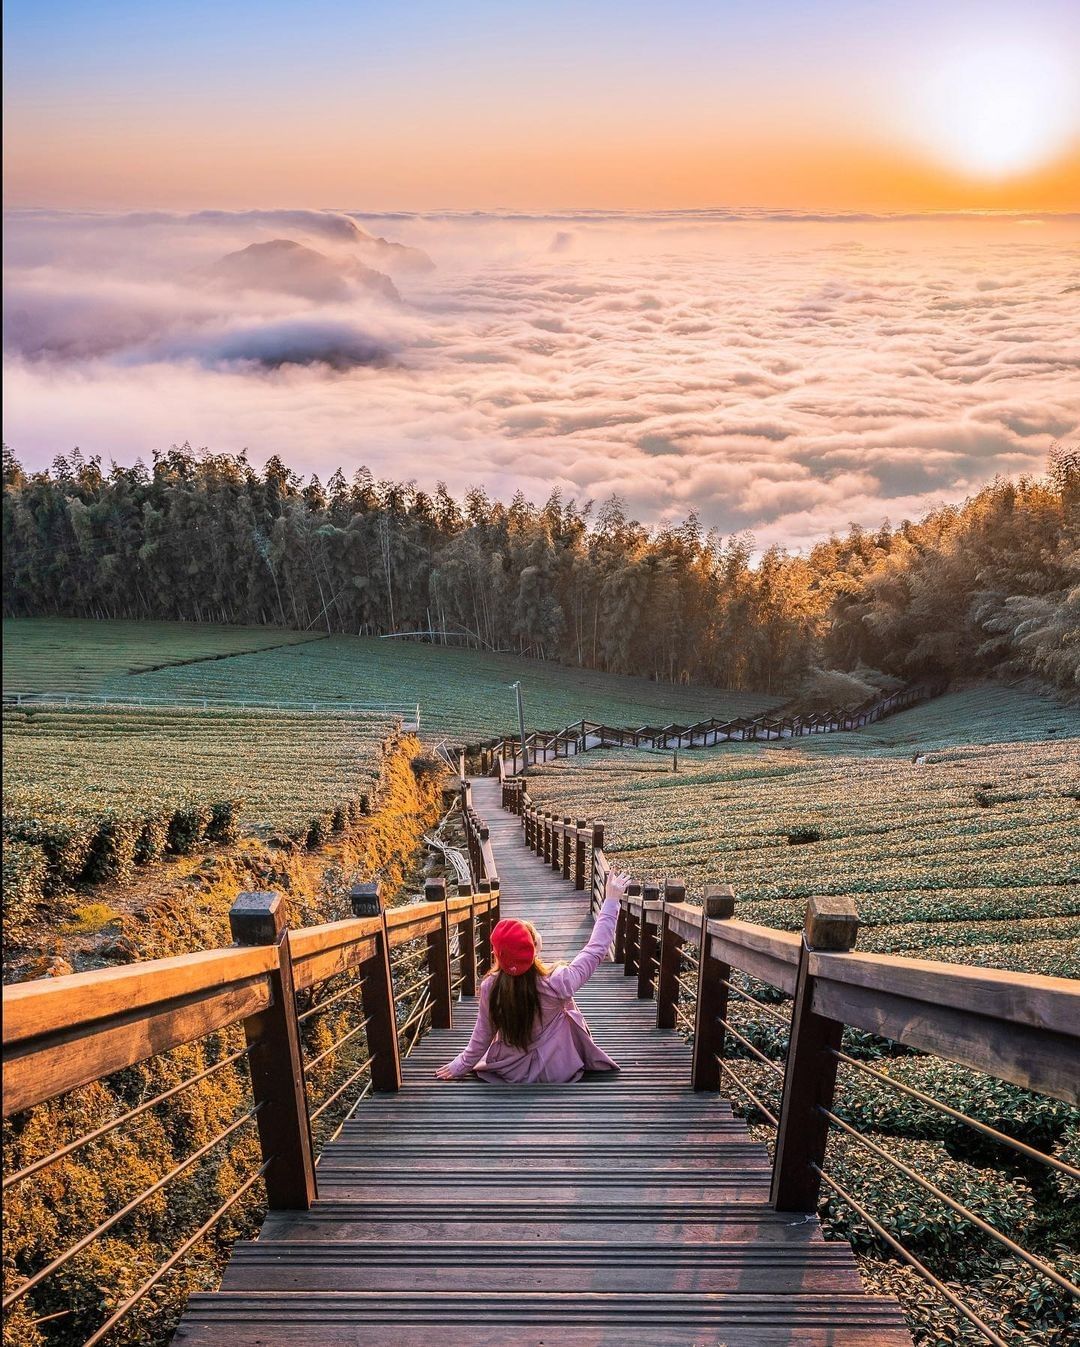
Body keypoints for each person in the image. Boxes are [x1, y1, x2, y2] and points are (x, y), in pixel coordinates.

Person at [435, 870, 631, 1083]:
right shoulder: (558, 981)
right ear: (535, 948)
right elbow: (596, 949)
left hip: (512, 1070)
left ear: (497, 956)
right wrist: (611, 901)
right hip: (557, 1069)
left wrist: (461, 1064)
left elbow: (483, 1035)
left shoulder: (491, 987)